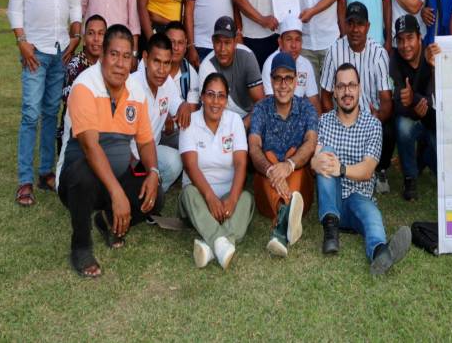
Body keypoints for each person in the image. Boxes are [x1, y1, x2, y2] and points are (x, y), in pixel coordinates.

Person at [56, 24, 163, 278]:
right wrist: (117, 193)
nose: (120, 63)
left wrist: (154, 172)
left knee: (155, 196)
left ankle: (105, 221)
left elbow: (146, 142)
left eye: (127, 57)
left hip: (115, 177)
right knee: (83, 173)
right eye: (114, 55)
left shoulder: (136, 92)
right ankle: (81, 247)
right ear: (102, 56)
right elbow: (90, 147)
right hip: (79, 182)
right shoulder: (85, 87)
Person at [7, 0, 82, 207]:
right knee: (30, 114)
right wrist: (21, 41)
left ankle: (46, 172)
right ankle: (25, 181)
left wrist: (76, 36)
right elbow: (15, 5)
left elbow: (75, 3)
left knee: (52, 112)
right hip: (34, 50)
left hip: (60, 50)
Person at [312, 63, 411, 275]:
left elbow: (367, 170)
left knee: (372, 216)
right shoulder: (324, 121)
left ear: (359, 89)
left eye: (352, 85)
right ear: (335, 92)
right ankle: (330, 231)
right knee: (326, 152)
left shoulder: (373, 125)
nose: (347, 91)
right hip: (333, 199)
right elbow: (316, 157)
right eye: (341, 86)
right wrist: (314, 162)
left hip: (359, 197)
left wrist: (341, 168)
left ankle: (380, 253)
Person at [178, 73, 254, 270]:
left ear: (226, 100)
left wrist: (232, 199)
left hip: (226, 197)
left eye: (221, 96)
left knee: (245, 198)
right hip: (199, 197)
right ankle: (221, 242)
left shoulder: (235, 121)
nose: (215, 101)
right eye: (210, 94)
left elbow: (240, 164)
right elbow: (190, 166)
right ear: (202, 97)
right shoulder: (190, 121)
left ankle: (212, 247)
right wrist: (210, 198)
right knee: (188, 193)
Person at [320, 2, 394, 193]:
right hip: (341, 115)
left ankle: (379, 169)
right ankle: (343, 169)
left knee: (389, 130)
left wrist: (375, 121)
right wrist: (334, 122)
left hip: (370, 118)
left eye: (359, 24)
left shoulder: (378, 53)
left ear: (368, 26)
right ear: (344, 25)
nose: (354, 29)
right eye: (350, 23)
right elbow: (326, 95)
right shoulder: (334, 51)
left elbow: (386, 101)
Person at [249, 53, 318, 257]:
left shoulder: (306, 108)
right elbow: (253, 147)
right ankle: (286, 217)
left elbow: (311, 142)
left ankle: (280, 227)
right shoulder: (261, 108)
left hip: (297, 179)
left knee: (295, 160)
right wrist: (272, 169)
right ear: (271, 80)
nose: (283, 84)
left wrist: (288, 164)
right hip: (267, 181)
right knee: (267, 157)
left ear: (296, 81)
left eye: (288, 78)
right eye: (278, 78)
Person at [389, 15, 436, 201]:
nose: (405, 45)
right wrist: (415, 105)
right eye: (400, 40)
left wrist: (414, 100)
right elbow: (398, 103)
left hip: (433, 118)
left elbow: (435, 100)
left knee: (440, 166)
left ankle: (424, 157)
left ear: (419, 37)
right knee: (402, 126)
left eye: (409, 38)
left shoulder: (431, 55)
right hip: (411, 117)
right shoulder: (395, 60)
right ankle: (410, 177)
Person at [132, 33, 183, 193]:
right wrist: (134, 164)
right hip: (127, 155)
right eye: (157, 62)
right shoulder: (131, 86)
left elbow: (180, 108)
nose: (162, 70)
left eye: (167, 63)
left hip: (151, 151)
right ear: (146, 58)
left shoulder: (167, 83)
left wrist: (186, 107)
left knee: (175, 161)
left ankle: (156, 190)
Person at [198, 16, 264, 129]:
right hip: (220, 120)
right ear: (213, 42)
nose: (222, 49)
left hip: (248, 118)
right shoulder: (206, 66)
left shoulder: (247, 56)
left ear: (235, 42)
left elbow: (261, 102)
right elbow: (209, 110)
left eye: (227, 42)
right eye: (218, 42)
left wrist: (243, 125)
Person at [57, 14, 107, 155]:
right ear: (84, 40)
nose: (96, 39)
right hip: (75, 134)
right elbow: (73, 106)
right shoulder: (75, 66)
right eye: (91, 34)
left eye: (101, 34)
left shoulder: (108, 66)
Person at [262, 15, 321, 114]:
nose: (294, 45)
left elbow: (314, 101)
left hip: (299, 117)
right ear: (280, 42)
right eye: (289, 39)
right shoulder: (270, 64)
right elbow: (272, 105)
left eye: (297, 40)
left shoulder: (306, 64)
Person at [159, 21, 201, 150]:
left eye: (180, 43)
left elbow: (191, 115)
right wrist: (164, 116)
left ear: (186, 45)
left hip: (178, 132)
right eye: (171, 42)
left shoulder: (190, 73)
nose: (176, 48)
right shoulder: (151, 66)